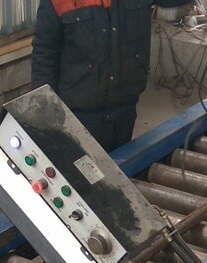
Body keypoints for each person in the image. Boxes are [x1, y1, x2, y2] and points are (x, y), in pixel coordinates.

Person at [32, 0, 192, 151]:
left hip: (125, 108)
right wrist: (45, 112)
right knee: (83, 168)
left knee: (121, 164)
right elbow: (45, 52)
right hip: (81, 113)